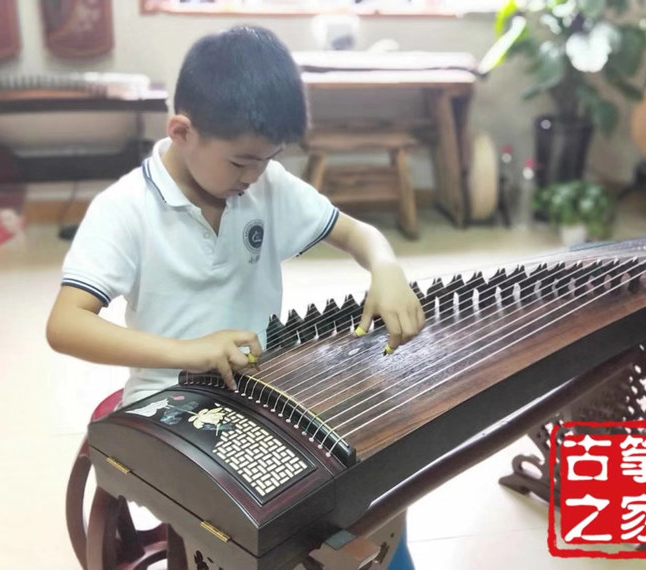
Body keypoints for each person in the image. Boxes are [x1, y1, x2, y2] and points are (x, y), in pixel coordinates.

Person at [47, 26, 424, 569]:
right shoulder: (126, 209)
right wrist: (190, 351)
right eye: (242, 162)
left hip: (263, 388)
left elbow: (357, 233)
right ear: (182, 132)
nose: (254, 176)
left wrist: (385, 268)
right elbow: (65, 325)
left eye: (268, 159)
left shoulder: (267, 186)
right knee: (280, 518)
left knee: (372, 473)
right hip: (172, 402)